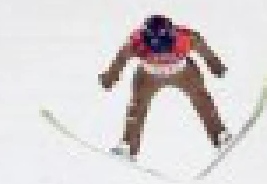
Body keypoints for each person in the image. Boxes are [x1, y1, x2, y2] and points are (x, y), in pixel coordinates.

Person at [98, 15, 231, 158]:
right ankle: (128, 146)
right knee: (137, 106)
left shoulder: (186, 38)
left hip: (182, 72)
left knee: (202, 99)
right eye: (154, 46)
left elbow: (204, 50)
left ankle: (220, 135)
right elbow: (121, 59)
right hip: (149, 75)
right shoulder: (135, 42)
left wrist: (216, 66)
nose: (160, 51)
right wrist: (110, 78)